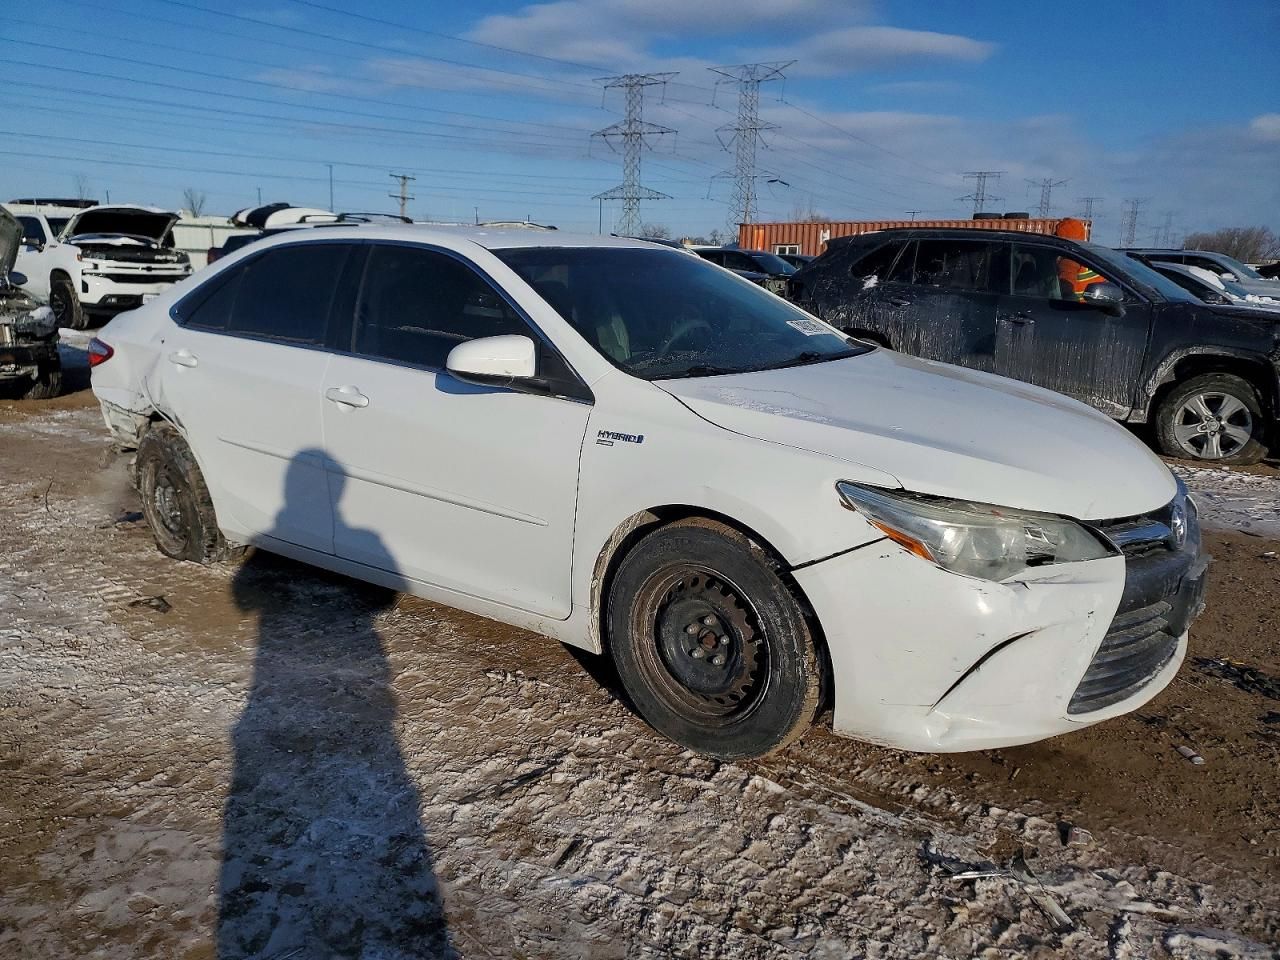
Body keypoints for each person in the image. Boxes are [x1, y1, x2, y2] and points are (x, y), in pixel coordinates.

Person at [1054, 217, 1107, 301]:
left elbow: (1066, 288)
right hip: (1098, 305)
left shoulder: (1069, 260)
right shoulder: (1091, 257)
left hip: (1079, 308)